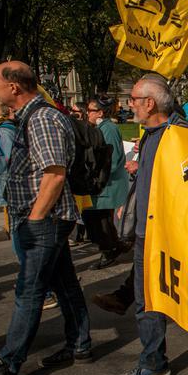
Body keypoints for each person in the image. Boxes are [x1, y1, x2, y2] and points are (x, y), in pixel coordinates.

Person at [0, 61, 91, 375]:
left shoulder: (43, 119)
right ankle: (80, 345)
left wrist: (34, 219)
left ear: (14, 87)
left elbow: (55, 173)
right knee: (65, 285)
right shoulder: (28, 118)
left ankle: (8, 362)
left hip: (45, 219)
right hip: (44, 218)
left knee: (29, 290)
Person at [113, 75, 188, 375]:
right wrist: (131, 202)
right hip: (148, 232)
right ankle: (153, 362)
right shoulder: (149, 133)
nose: (129, 104)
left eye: (133, 98)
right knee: (146, 299)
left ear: (150, 103)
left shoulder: (180, 135)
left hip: (172, 233)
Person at [79, 100, 129, 270]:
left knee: (101, 220)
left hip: (107, 182)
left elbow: (111, 159)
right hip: (103, 182)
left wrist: (96, 176)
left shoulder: (108, 129)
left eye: (91, 110)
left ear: (100, 113)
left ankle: (109, 250)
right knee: (99, 218)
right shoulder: (101, 128)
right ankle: (113, 246)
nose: (88, 113)